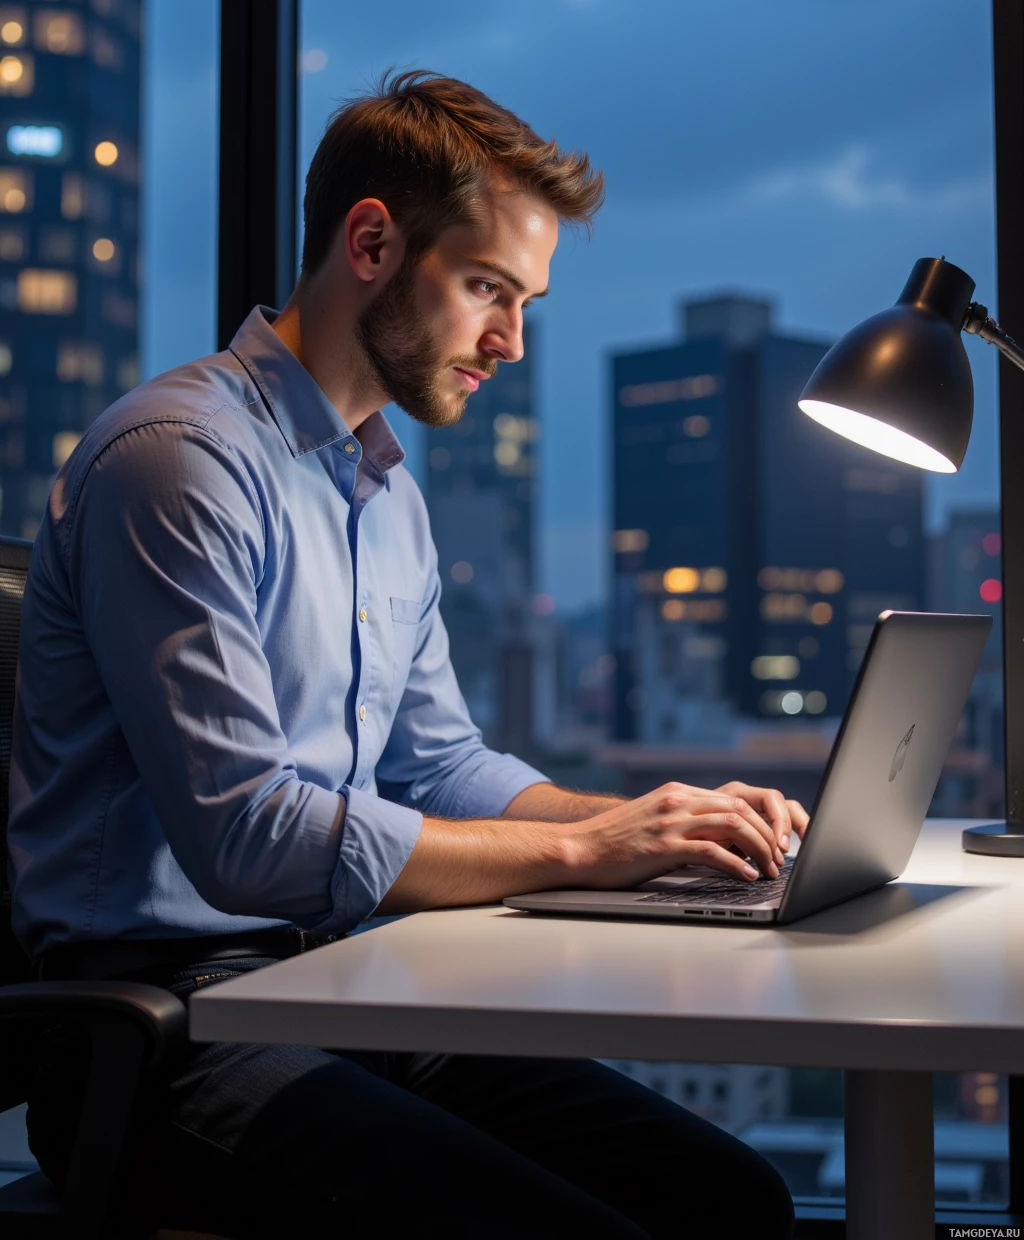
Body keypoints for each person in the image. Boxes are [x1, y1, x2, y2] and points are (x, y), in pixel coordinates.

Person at [9, 71, 803, 1238]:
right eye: (489, 288)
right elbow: (247, 837)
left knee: (733, 1202)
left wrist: (656, 830)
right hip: (160, 1037)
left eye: (523, 301)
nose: (512, 342)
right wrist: (585, 850)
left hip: (329, 989)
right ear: (371, 241)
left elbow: (435, 765)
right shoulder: (176, 460)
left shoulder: (382, 492)